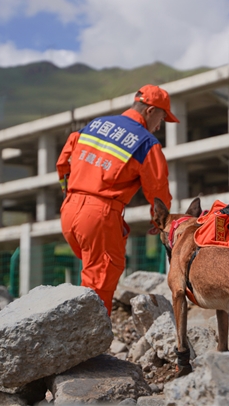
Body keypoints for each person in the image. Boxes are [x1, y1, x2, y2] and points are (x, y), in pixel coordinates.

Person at [57, 84, 178, 315]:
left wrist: (70, 195)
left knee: (91, 272)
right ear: (150, 111)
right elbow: (157, 189)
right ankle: (91, 336)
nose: (159, 126)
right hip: (98, 216)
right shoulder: (146, 143)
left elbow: (63, 163)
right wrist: (160, 221)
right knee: (100, 281)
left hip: (69, 210)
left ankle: (77, 327)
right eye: (161, 118)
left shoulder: (95, 125)